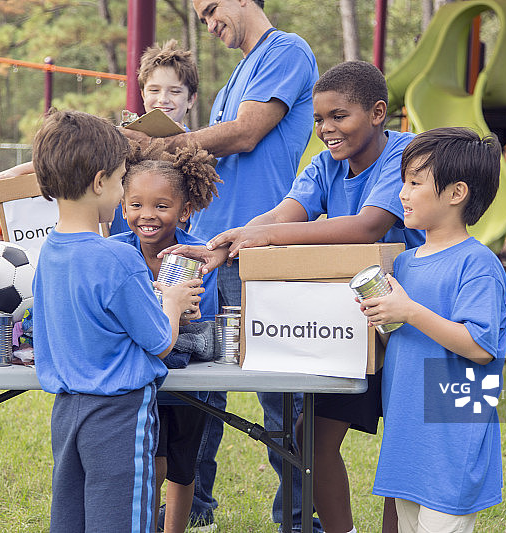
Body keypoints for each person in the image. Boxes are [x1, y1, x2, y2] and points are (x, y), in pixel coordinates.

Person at [161, 61, 426, 533]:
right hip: (353, 323)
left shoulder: (404, 156)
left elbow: (368, 226)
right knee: (310, 437)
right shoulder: (325, 165)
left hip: (410, 321)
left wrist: (268, 237)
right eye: (319, 119)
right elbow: (283, 213)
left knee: (402, 445)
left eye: (339, 116)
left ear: (377, 113)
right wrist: (227, 244)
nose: (326, 129)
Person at [122, 1, 319, 530]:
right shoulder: (237, 73)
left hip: (256, 251)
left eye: (211, 9)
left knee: (279, 397)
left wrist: (164, 140)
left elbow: (246, 133)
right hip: (206, 251)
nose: (208, 24)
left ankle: (300, 519)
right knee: (197, 391)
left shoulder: (286, 51)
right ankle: (195, 508)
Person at [29, 109, 203, 533]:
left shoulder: (48, 253)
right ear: (99, 182)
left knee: (71, 519)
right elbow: (160, 341)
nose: (124, 189)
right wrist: (173, 301)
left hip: (66, 413)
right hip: (119, 417)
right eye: (123, 178)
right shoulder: (119, 257)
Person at [359, 127, 506, 533]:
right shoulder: (404, 263)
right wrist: (383, 317)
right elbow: (403, 337)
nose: (402, 193)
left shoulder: (477, 264)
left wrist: (409, 311)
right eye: (403, 182)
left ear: (456, 193)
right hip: (408, 440)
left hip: (452, 444)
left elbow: (480, 346)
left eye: (415, 183)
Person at [109, 143, 221, 533]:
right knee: (151, 462)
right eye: (136, 204)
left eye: (161, 206)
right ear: (123, 207)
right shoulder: (115, 253)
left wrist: (184, 314)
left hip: (187, 385)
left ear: (184, 210)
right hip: (141, 383)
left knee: (182, 468)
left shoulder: (198, 256)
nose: (147, 215)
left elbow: (203, 325)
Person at [0, 39, 200, 236]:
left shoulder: (197, 153)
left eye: (175, 91)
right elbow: (73, 156)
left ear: (191, 99)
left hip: (169, 247)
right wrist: (20, 171)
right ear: (143, 94)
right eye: (154, 90)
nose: (163, 99)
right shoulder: (126, 138)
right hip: (121, 241)